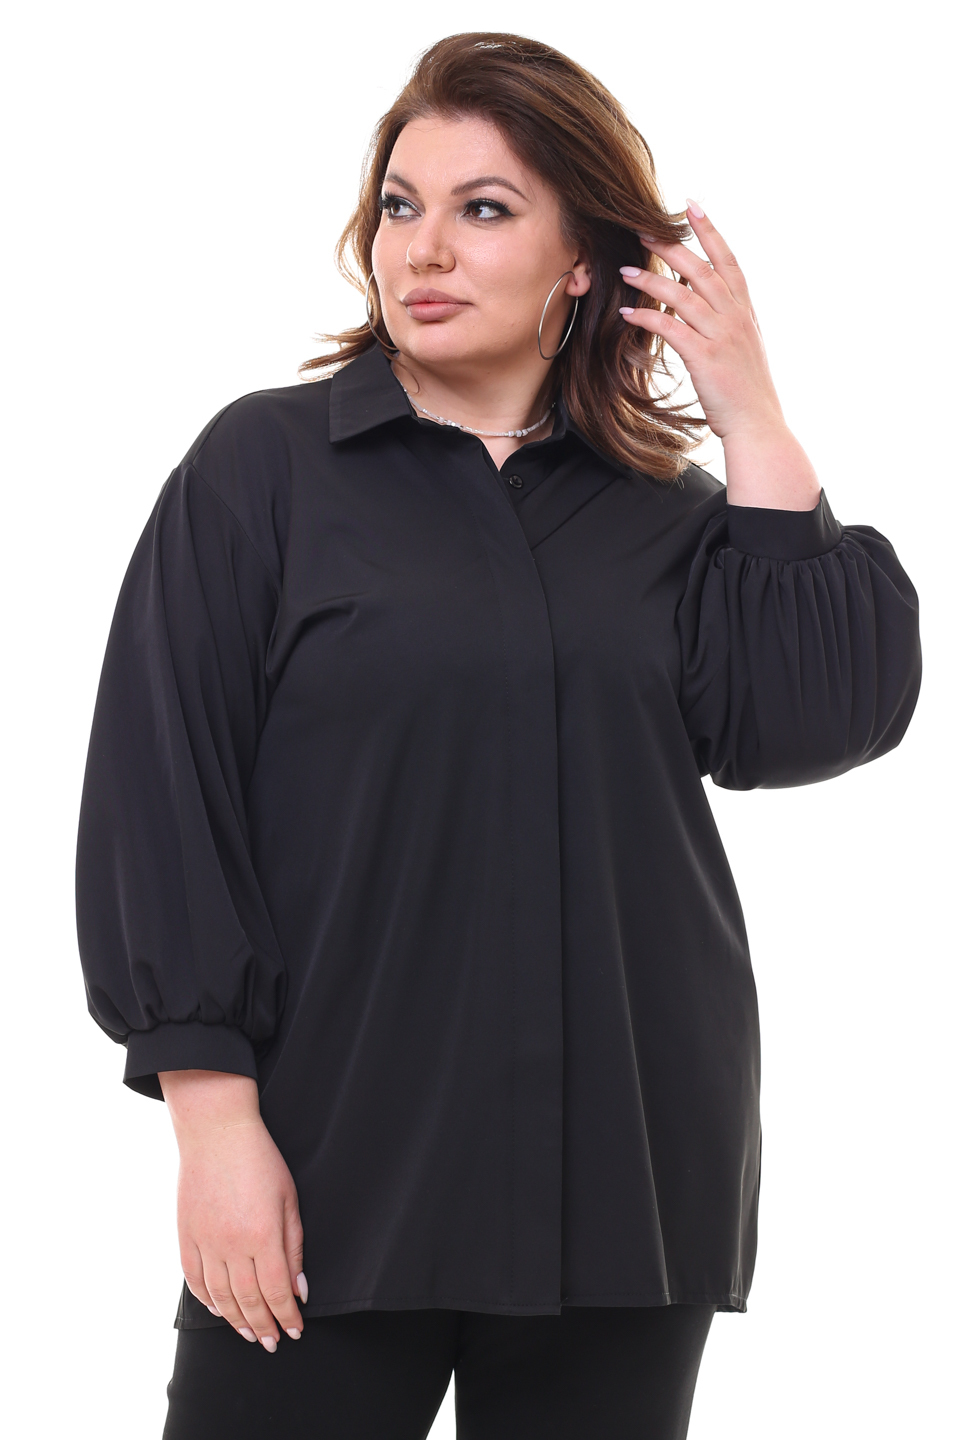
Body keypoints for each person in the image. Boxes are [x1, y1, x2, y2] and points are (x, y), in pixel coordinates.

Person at [75, 30, 921, 1440]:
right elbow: (162, 795)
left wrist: (750, 414)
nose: (424, 249)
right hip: (337, 1162)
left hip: (625, 1178)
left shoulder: (668, 516)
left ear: (582, 260)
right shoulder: (261, 472)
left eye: (484, 209)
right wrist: (213, 1126)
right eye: (402, 206)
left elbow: (815, 721)